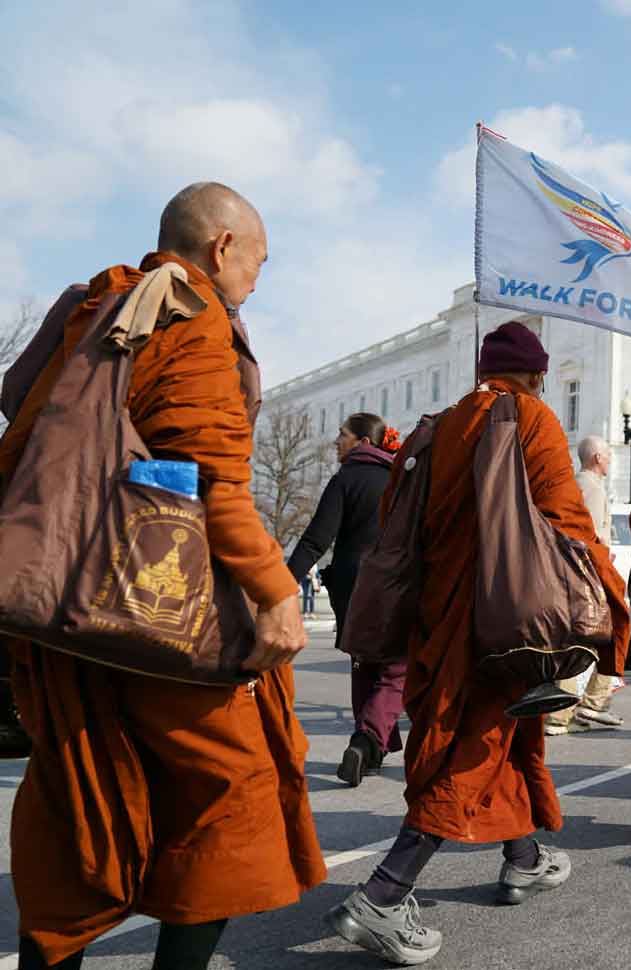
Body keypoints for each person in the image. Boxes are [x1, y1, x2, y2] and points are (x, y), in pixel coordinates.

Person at [0, 182, 325, 970]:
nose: (256, 278)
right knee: (232, 793)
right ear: (222, 247)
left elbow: (15, 400)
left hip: (59, 593)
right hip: (150, 605)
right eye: (258, 260)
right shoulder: (193, 316)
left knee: (78, 789)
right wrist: (276, 587)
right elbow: (211, 471)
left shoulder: (95, 305)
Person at [327, 322, 631, 961]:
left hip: (439, 613)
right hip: (501, 619)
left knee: (500, 737)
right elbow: (565, 520)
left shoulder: (434, 428)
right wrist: (608, 592)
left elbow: (395, 521)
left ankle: (523, 858)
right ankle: (384, 893)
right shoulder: (527, 416)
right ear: (538, 375)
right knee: (474, 746)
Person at [287, 412, 401, 787]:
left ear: (363, 442)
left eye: (342, 434)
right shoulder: (402, 478)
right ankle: (367, 742)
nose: (336, 441)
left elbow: (316, 540)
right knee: (395, 668)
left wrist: (281, 585)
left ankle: (371, 746)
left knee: (363, 664)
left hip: (353, 585)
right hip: (396, 582)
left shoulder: (345, 480)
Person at [545, 434, 626, 735]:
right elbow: (587, 537)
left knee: (579, 639)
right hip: (590, 574)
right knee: (602, 634)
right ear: (597, 459)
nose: (610, 460)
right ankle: (588, 703)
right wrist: (604, 552)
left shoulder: (574, 485)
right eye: (607, 455)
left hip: (574, 575)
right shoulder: (591, 489)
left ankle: (566, 711)